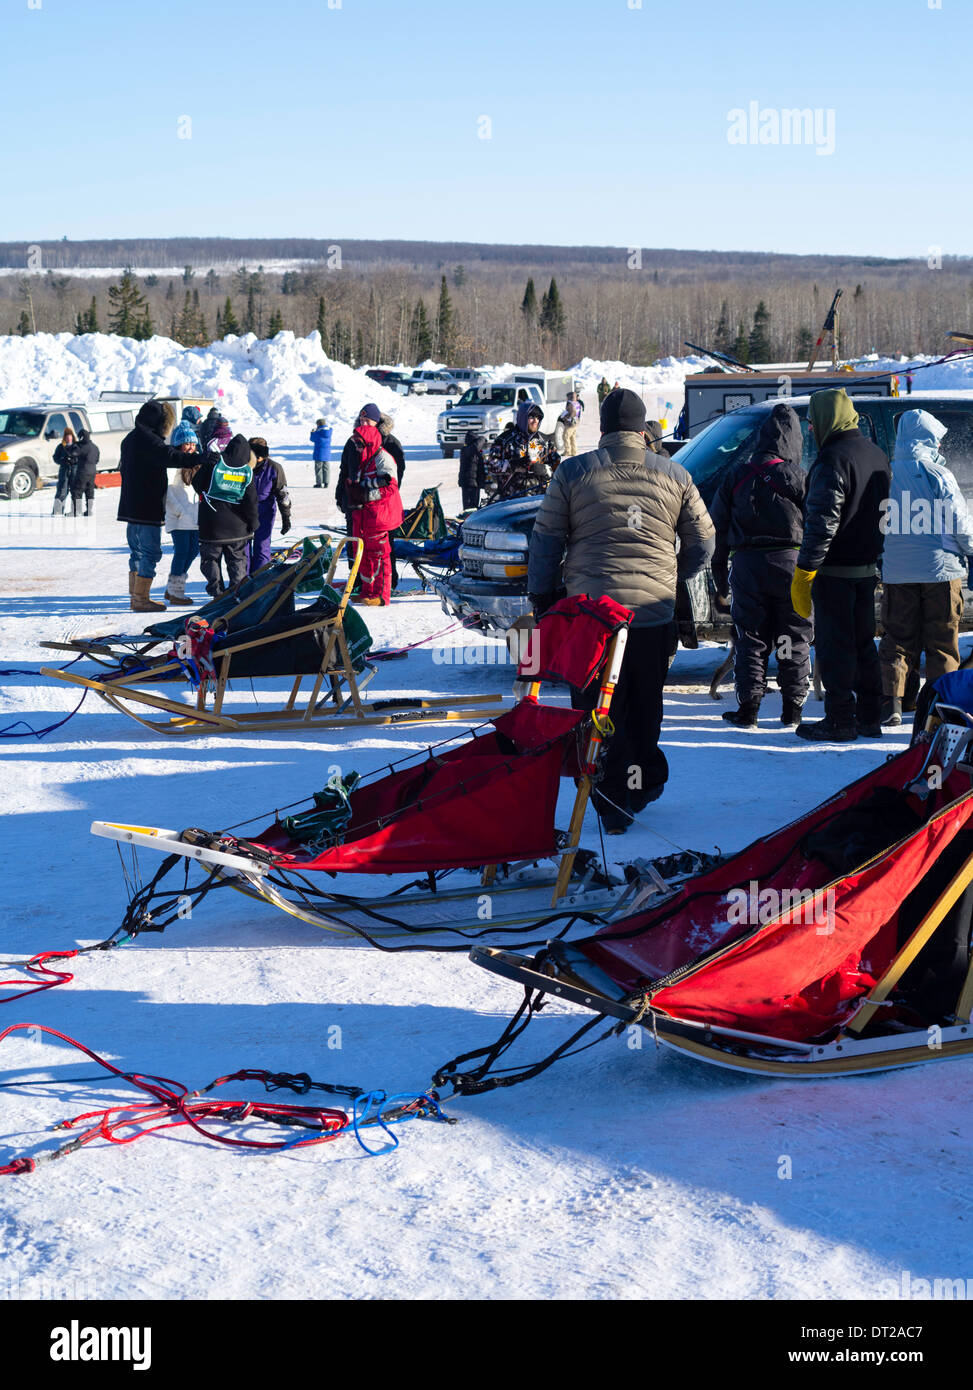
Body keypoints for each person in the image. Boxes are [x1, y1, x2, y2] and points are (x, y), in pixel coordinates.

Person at [528, 387, 715, 833]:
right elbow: (704, 542)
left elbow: (546, 540)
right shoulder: (676, 475)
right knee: (644, 700)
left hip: (592, 617)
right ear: (641, 426)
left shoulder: (573, 473)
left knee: (596, 706)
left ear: (605, 427)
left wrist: (544, 597)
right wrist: (672, 578)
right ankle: (639, 782)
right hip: (652, 614)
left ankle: (608, 795)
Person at [791, 388, 890, 741]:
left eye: (812, 422)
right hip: (866, 569)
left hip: (834, 573)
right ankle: (869, 717)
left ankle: (840, 719)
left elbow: (822, 522)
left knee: (835, 647)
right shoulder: (876, 454)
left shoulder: (833, 459)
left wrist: (805, 572)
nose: (811, 429)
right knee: (865, 644)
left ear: (825, 419)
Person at [709, 402, 811, 728]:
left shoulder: (736, 475)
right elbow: (818, 524)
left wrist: (719, 577)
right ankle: (792, 710)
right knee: (792, 636)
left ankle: (748, 709)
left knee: (750, 637)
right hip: (791, 565)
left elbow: (718, 531)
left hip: (747, 566)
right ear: (793, 441)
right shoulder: (798, 476)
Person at [878, 409, 973, 726]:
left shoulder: (887, 475)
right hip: (940, 571)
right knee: (942, 644)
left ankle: (893, 702)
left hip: (897, 573)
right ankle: (938, 708)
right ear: (929, 440)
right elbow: (961, 524)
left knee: (897, 640)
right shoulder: (937, 474)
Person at [117, 400, 189, 612]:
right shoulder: (150, 441)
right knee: (150, 552)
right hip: (147, 507)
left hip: (131, 506)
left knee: (137, 552)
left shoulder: (131, 438)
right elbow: (171, 457)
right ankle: (140, 598)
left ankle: (135, 597)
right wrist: (199, 457)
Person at [192, 434, 259, 596]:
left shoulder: (214, 464)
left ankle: (217, 592)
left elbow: (196, 484)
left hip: (211, 525)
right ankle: (238, 592)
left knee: (211, 560)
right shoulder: (246, 472)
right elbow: (250, 502)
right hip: (237, 529)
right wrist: (253, 523)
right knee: (237, 560)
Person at [345, 421, 403, 606]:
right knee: (364, 555)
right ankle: (367, 591)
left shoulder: (383, 459)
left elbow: (390, 487)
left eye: (360, 444)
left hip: (379, 516)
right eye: (356, 444)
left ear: (369, 442)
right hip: (364, 515)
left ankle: (382, 596)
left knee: (380, 555)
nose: (357, 447)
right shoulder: (364, 458)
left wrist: (365, 495)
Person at [164, 423, 202, 606]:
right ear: (179, 445)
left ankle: (172, 586)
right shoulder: (173, 463)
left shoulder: (196, 463)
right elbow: (168, 490)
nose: (191, 448)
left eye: (193, 444)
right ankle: (176, 592)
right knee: (181, 552)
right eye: (187, 444)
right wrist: (179, 511)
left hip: (194, 516)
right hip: (179, 517)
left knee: (193, 550)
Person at [488, 403, 559, 500]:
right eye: (531, 417)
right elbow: (491, 465)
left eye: (538, 418)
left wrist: (544, 469)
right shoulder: (504, 440)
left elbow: (558, 468)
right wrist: (512, 465)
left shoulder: (545, 441)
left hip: (539, 498)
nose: (535, 421)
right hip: (510, 498)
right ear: (523, 417)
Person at [248, 437, 292, 573]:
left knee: (262, 547)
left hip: (265, 511)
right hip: (244, 512)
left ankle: (260, 579)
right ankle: (243, 581)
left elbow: (282, 494)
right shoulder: (242, 466)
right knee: (242, 548)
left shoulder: (274, 468)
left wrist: (286, 517)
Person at [336, 403, 384, 525]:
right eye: (361, 420)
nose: (364, 424)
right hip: (353, 499)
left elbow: (394, 474)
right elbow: (344, 470)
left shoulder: (387, 440)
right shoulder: (352, 442)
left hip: (377, 500)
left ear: (376, 422)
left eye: (368, 421)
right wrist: (340, 494)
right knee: (354, 536)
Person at [70, 428, 100, 517]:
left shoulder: (81, 447)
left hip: (83, 471)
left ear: (81, 437)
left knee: (77, 491)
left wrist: (74, 445)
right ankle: (89, 510)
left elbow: (73, 454)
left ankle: (76, 511)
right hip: (92, 471)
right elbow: (97, 460)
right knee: (89, 491)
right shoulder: (95, 447)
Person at [458, 431, 487, 510]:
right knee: (468, 509)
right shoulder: (466, 450)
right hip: (468, 484)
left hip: (475, 484)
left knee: (474, 508)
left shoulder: (474, 452)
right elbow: (476, 446)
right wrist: (483, 438)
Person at [52, 428, 78, 516]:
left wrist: (74, 460)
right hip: (64, 471)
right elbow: (55, 457)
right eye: (67, 437)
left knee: (75, 491)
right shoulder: (61, 446)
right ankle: (57, 511)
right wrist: (62, 460)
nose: (68, 439)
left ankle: (76, 511)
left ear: (72, 437)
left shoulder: (77, 446)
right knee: (62, 491)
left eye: (70, 437)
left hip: (74, 471)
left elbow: (82, 457)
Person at [557, 392, 583, 458]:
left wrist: (567, 417)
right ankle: (574, 451)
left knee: (565, 436)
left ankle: (567, 451)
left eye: (567, 397)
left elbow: (573, 412)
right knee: (572, 437)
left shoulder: (570, 403)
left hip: (570, 423)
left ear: (569, 397)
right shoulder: (577, 403)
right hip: (576, 422)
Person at [310, 417, 333, 488]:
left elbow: (312, 439)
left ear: (318, 424)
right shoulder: (328, 432)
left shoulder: (318, 432)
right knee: (326, 468)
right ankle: (326, 483)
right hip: (327, 453)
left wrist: (312, 432)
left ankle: (319, 483)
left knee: (319, 469)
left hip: (319, 453)